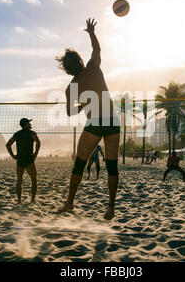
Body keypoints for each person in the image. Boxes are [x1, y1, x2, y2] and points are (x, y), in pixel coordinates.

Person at [57, 18, 120, 220]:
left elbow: (69, 113)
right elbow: (97, 49)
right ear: (81, 61)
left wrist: (83, 105)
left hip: (94, 123)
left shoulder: (71, 86)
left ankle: (70, 202)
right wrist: (91, 32)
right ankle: (110, 207)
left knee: (79, 164)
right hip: (111, 120)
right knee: (112, 166)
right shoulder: (93, 66)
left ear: (67, 69)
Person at [6, 118, 41, 204]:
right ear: (25, 124)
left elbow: (8, 145)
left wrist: (13, 156)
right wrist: (36, 153)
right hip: (29, 159)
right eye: (29, 123)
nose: (30, 124)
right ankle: (32, 200)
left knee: (19, 181)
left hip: (20, 160)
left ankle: (19, 201)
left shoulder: (17, 134)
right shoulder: (32, 133)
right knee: (33, 180)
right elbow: (38, 142)